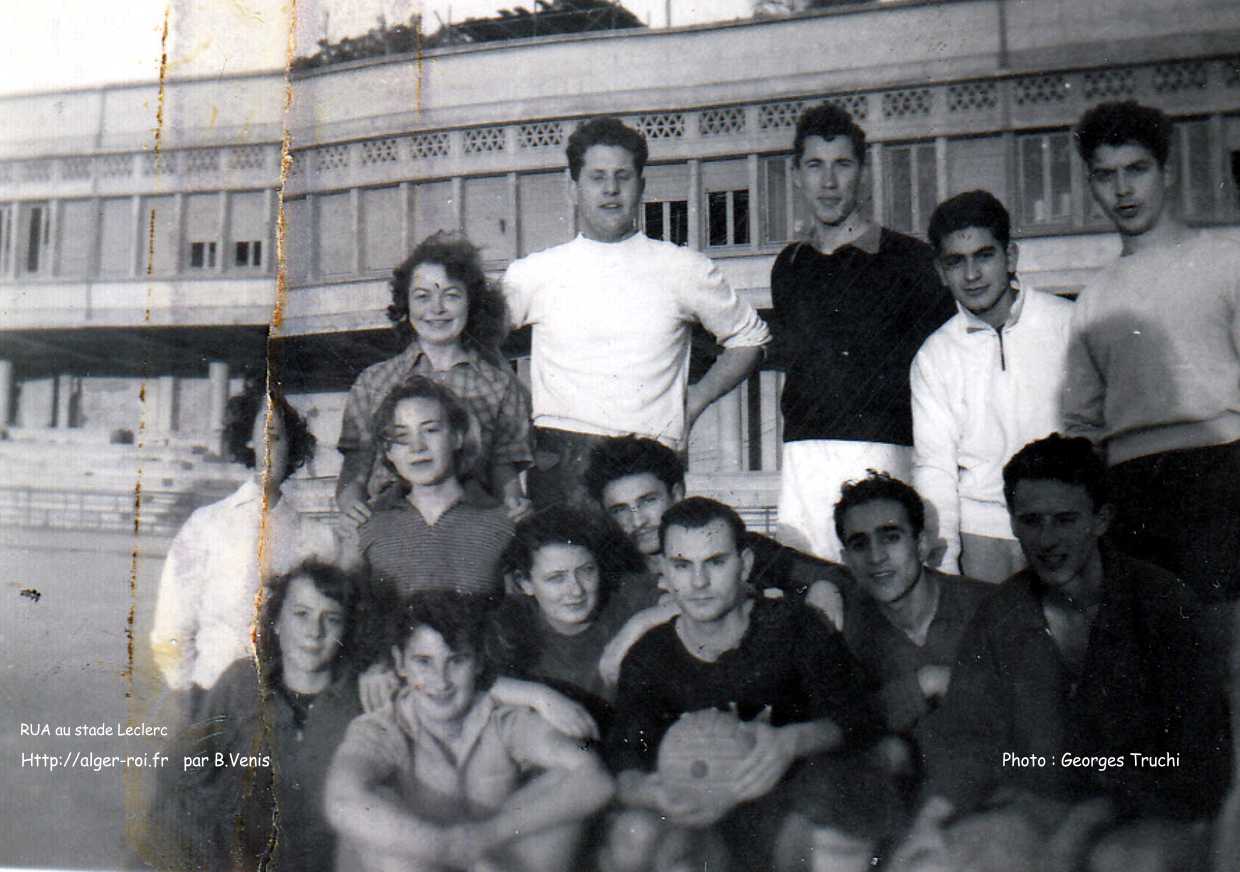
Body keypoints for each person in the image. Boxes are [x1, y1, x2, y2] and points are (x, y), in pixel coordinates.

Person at [917, 434, 1229, 827]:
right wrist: (929, 821)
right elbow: (967, 740)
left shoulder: (1160, 604)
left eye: (1065, 520)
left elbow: (1199, 762)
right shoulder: (1000, 615)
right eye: (1032, 521)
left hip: (1149, 822)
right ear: (1013, 522)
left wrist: (1091, 817)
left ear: (1101, 520)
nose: (1047, 540)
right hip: (1040, 819)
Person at [502, 116, 770, 509]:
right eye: (597, 177)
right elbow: (476, 340)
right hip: (560, 457)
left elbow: (751, 338)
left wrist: (695, 400)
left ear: (641, 186)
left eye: (622, 176)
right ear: (573, 188)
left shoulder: (682, 267)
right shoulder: (534, 273)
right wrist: (520, 405)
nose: (611, 189)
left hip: (650, 454)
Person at [606, 497, 886, 870]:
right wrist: (650, 792)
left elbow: (859, 718)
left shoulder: (794, 627)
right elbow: (625, 757)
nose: (699, 582)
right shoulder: (649, 656)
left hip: (790, 808)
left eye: (716, 562)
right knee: (634, 831)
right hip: (701, 821)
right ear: (666, 573)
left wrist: (791, 742)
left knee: (833, 825)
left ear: (745, 564)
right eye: (682, 566)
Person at [1063, 100, 1240, 603]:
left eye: (1137, 170)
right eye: (1106, 176)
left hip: (1222, 476)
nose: (1123, 190)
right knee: (1159, 661)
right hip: (1132, 491)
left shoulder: (1227, 262)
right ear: (1091, 184)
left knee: (1228, 655)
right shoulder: (1093, 299)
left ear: (1167, 170)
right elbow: (1082, 426)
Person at [770, 103, 954, 562]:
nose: (828, 183)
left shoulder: (911, 261)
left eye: (842, 166)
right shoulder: (788, 266)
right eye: (814, 166)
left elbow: (946, 378)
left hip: (888, 457)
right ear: (796, 174)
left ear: (864, 173)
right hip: (804, 462)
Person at [325, 591, 615, 872]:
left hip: (490, 859)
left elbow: (597, 779)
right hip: (418, 864)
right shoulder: (380, 727)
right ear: (400, 664)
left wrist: (485, 836)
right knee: (370, 811)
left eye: (456, 661)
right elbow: (339, 800)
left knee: (565, 782)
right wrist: (447, 847)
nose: (440, 681)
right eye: (424, 662)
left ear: (477, 662)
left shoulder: (505, 719)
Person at [147, 561, 365, 872]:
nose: (314, 632)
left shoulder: (362, 700)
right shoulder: (240, 683)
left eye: (331, 619)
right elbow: (178, 773)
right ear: (276, 620)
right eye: (301, 614)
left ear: (346, 631)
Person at [912, 190, 1074, 581]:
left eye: (984, 256)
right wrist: (946, 565)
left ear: (1011, 256)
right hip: (981, 538)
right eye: (956, 262)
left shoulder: (1069, 324)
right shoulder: (933, 355)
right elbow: (935, 468)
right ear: (940, 271)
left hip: (1064, 524)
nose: (971, 275)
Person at [150, 376, 338, 711]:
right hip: (212, 699)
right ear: (248, 442)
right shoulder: (205, 525)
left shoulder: (321, 539)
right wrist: (189, 695)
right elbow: (171, 627)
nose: (270, 448)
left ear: (292, 446)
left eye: (278, 438)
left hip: (291, 705)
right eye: (263, 436)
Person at [336, 231, 533, 522]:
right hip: (392, 528)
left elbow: (504, 473)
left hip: (469, 530)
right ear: (406, 304)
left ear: (472, 303)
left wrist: (515, 505)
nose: (436, 309)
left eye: (451, 295)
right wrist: (351, 504)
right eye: (422, 296)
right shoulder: (372, 382)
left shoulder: (501, 386)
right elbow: (355, 472)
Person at [834, 473, 993, 734]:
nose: (876, 557)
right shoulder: (844, 631)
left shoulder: (990, 608)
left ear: (921, 546)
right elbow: (838, 729)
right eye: (860, 544)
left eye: (890, 537)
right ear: (846, 559)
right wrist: (925, 683)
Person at [344, 377, 514, 611]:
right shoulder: (364, 525)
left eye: (431, 430)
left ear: (457, 437)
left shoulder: (504, 522)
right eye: (402, 437)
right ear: (388, 451)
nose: (417, 447)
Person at [489, 506, 648, 725]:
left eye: (586, 571)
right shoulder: (512, 618)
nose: (576, 590)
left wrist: (636, 626)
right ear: (524, 583)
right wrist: (540, 697)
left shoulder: (623, 597)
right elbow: (466, 681)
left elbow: (694, 602)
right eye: (556, 578)